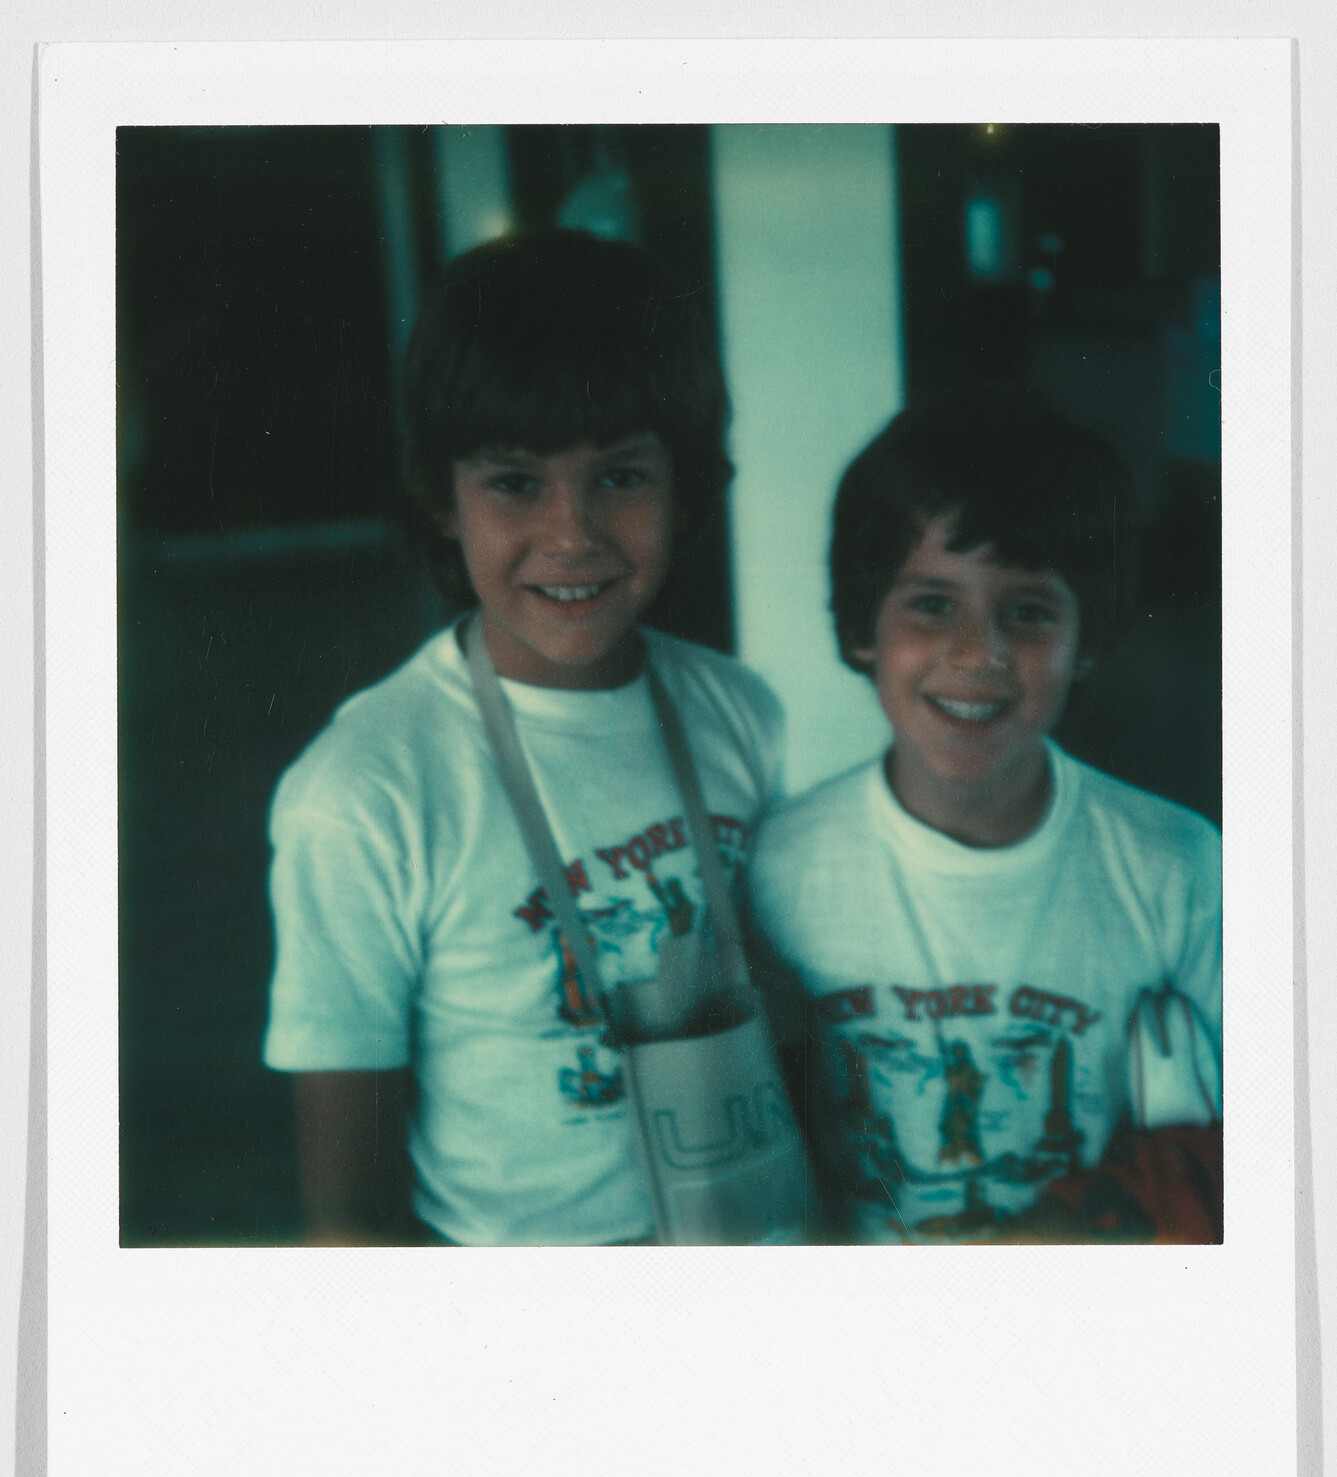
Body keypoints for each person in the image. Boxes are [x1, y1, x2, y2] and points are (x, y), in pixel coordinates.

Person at [263, 230, 784, 1245]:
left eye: (620, 477)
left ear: (685, 486)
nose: (572, 533)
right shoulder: (364, 790)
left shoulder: (738, 711)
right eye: (513, 482)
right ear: (440, 499)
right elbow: (345, 1212)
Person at [747, 386, 1222, 1244]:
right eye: (932, 604)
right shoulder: (780, 867)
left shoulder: (1176, 865)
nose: (979, 653)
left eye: (1028, 612)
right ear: (864, 629)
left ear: (1089, 643)